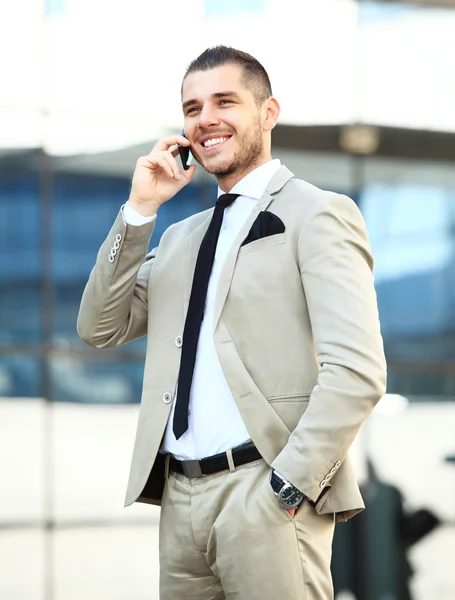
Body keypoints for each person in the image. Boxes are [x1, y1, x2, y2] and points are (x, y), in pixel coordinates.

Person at [77, 46, 387, 600]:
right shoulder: (177, 237)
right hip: (180, 500)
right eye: (192, 108)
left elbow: (357, 371)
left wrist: (289, 483)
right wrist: (140, 210)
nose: (205, 119)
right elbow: (100, 326)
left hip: (265, 494)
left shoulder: (318, 213)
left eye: (225, 101)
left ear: (268, 112)